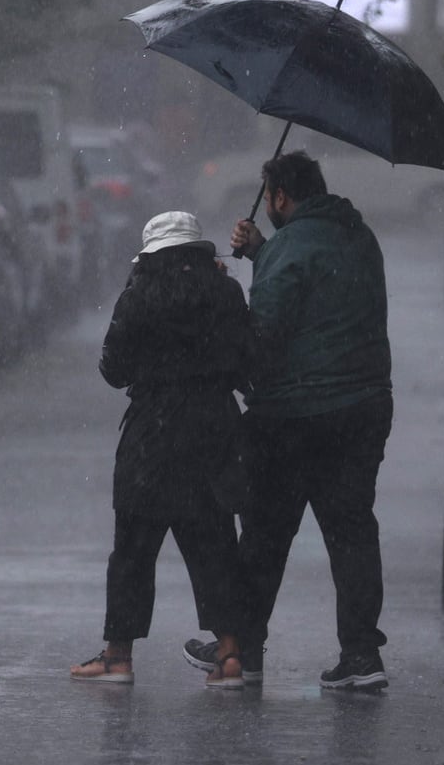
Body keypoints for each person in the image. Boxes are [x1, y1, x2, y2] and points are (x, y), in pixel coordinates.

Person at [185, 150, 393, 691]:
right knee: (352, 534)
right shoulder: (359, 236)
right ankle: (362, 656)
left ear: (278, 196)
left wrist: (227, 300)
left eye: (271, 199)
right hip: (363, 410)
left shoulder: (290, 247)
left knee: (265, 535)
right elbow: (322, 292)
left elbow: (267, 336)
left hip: (294, 419)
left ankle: (245, 650)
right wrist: (264, 253)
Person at [71, 211, 254, 689]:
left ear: (151, 254)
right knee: (214, 543)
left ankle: (118, 658)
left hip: (151, 436)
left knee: (133, 549)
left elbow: (113, 370)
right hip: (213, 432)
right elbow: (245, 363)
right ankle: (231, 655)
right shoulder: (226, 292)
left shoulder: (139, 296)